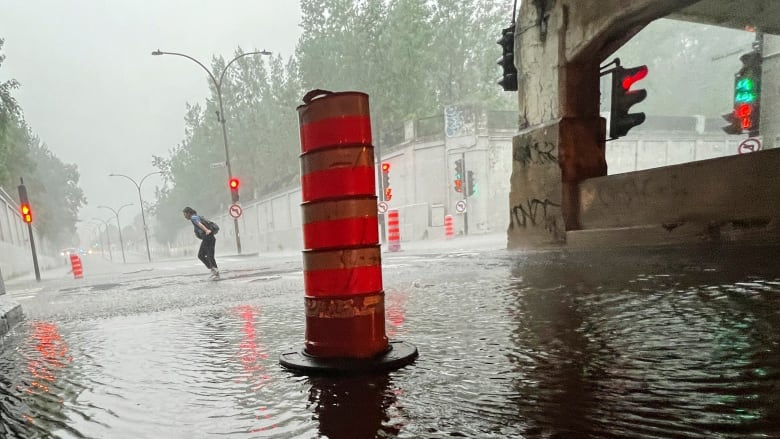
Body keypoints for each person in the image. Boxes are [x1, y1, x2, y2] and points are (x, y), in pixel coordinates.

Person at [182, 207, 219, 279]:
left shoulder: (193, 218)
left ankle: (215, 272)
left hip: (208, 236)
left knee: (209, 255)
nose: (184, 216)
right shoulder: (196, 217)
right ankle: (213, 269)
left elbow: (200, 224)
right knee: (201, 255)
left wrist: (206, 230)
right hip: (207, 237)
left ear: (189, 213)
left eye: (185, 214)